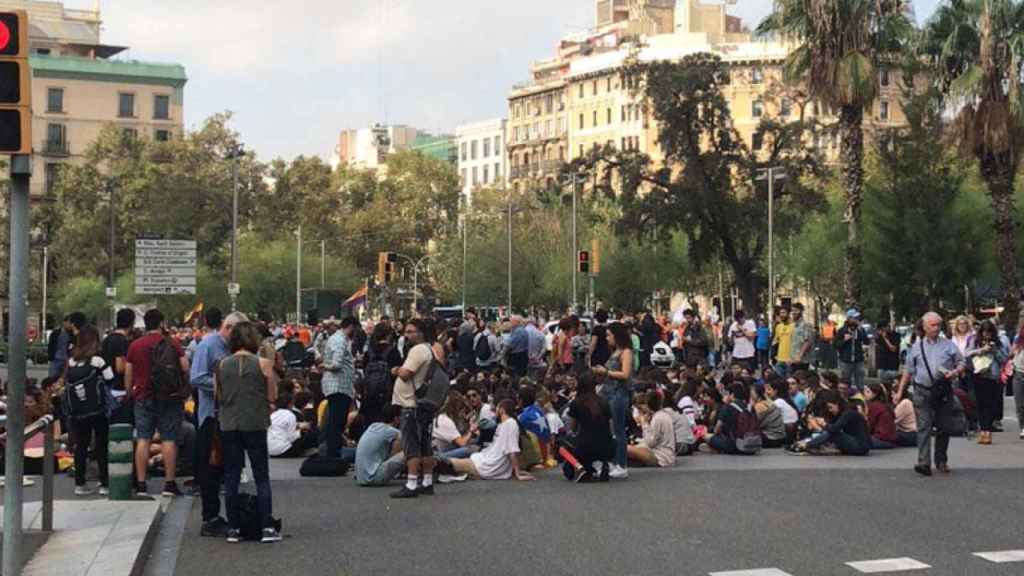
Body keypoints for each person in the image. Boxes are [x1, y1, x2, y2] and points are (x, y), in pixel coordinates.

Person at [215, 321, 280, 543]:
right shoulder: (263, 363)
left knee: (232, 475)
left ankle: (233, 528)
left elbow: (218, 395)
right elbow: (272, 395)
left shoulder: (222, 365)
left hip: (229, 424)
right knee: (261, 475)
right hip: (254, 422)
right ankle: (267, 527)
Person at [191, 308, 246, 537]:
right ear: (229, 328)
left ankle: (225, 516)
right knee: (211, 469)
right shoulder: (208, 345)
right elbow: (196, 377)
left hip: (228, 416)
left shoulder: (230, 347)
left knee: (226, 467)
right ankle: (210, 517)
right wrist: (223, 386)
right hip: (210, 417)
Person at [125, 309, 189, 497]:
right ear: (161, 323)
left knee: (143, 439)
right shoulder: (173, 344)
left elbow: (128, 373)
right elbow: (185, 367)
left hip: (143, 397)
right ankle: (169, 484)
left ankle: (142, 485)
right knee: (169, 439)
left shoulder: (135, 346)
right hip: (169, 397)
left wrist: (130, 392)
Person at [895, 311, 966, 476]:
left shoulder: (948, 345)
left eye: (938, 325)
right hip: (922, 390)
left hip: (943, 390)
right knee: (923, 427)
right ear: (925, 327)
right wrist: (900, 391)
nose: (936, 328)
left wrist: (955, 372)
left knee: (943, 426)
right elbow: (908, 371)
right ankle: (924, 462)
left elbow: (962, 362)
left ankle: (941, 460)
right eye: (933, 325)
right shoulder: (916, 347)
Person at [390, 319, 439, 499]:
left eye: (411, 331)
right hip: (423, 404)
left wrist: (395, 370)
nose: (407, 335)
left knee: (411, 444)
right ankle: (426, 482)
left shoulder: (417, 350)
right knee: (425, 445)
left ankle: (411, 484)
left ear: (420, 332)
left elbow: (405, 373)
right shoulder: (430, 349)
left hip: (411, 404)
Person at [65, 325, 114, 496]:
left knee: (81, 445)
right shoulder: (98, 360)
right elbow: (110, 378)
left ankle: (80, 484)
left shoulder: (71, 361)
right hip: (97, 409)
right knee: (101, 445)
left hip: (78, 410)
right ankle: (104, 483)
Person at [448, 399, 533, 481]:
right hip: (484, 460)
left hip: (487, 465)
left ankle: (436, 461)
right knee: (453, 463)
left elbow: (512, 450)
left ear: (502, 410)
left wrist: (517, 473)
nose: (494, 411)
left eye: (497, 408)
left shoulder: (510, 424)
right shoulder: (503, 424)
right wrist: (515, 471)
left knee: (452, 463)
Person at [593, 322, 633, 479]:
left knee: (619, 430)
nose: (607, 338)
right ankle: (613, 461)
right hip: (608, 393)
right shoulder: (615, 352)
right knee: (610, 430)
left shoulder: (626, 352)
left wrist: (606, 372)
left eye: (609, 335)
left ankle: (622, 464)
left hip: (618, 394)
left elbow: (625, 374)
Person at [563, 370, 614, 482]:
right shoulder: (603, 402)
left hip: (585, 447)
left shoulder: (576, 403)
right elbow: (611, 425)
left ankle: (579, 467)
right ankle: (602, 464)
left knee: (562, 445)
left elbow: (572, 428)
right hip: (606, 447)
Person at [964, 320, 1007, 446]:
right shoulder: (975, 341)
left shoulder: (998, 343)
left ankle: (988, 431)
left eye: (989, 333)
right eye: (984, 333)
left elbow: (1004, 359)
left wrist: (994, 351)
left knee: (990, 404)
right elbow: (966, 353)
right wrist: (980, 350)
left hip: (992, 376)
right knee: (980, 404)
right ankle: (982, 430)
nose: (986, 335)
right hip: (978, 375)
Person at [788, 391, 871, 456]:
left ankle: (805, 445)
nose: (830, 410)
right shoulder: (841, 413)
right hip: (855, 442)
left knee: (833, 433)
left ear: (837, 404)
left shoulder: (848, 413)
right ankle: (805, 443)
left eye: (831, 407)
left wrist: (824, 423)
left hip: (861, 446)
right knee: (829, 433)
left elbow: (834, 428)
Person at [321, 317, 357, 458]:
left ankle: (331, 452)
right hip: (338, 385)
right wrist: (326, 366)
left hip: (337, 385)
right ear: (350, 326)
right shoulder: (340, 340)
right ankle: (333, 454)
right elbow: (337, 363)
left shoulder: (336, 339)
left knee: (334, 421)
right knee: (337, 422)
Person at [355, 406, 405, 486]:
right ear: (396, 419)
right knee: (410, 451)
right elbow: (410, 440)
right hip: (374, 478)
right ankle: (418, 476)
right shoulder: (389, 431)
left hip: (361, 478)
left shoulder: (373, 426)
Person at [102, 308, 135, 424]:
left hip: (107, 386)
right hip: (119, 389)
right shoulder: (121, 341)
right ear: (132, 323)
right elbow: (120, 367)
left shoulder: (107, 339)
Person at [626, 390, 676, 467]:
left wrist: (644, 424)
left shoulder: (657, 418)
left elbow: (650, 443)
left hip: (660, 456)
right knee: (633, 449)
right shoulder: (665, 415)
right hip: (666, 454)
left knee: (626, 448)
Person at [268, 390, 317, 458]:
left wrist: (298, 426)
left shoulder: (273, 414)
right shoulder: (290, 415)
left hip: (271, 451)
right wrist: (300, 431)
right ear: (290, 404)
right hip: (283, 451)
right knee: (307, 433)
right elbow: (291, 437)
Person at [835, 309, 869, 391]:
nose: (857, 319)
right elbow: (835, 345)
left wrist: (861, 330)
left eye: (857, 317)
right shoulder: (842, 330)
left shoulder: (860, 329)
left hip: (858, 360)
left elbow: (866, 342)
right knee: (845, 382)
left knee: (860, 383)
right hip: (846, 361)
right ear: (849, 318)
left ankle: (860, 399)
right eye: (855, 317)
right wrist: (844, 340)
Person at [864, 383, 898, 449]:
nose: (865, 394)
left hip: (882, 439)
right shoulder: (884, 404)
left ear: (875, 394)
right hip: (890, 439)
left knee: (858, 441)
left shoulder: (874, 406)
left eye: (868, 392)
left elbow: (869, 425)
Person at [788, 303, 815, 372]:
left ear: (801, 311)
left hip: (802, 360)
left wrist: (799, 356)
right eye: (792, 311)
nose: (793, 313)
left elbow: (807, 341)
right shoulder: (794, 326)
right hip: (793, 360)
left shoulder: (806, 325)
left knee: (801, 380)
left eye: (796, 310)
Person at [772, 308, 794, 376]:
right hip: (779, 359)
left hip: (790, 360)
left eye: (783, 312)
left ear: (789, 314)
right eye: (780, 313)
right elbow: (775, 341)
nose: (781, 315)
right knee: (780, 382)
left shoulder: (794, 326)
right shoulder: (778, 326)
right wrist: (774, 355)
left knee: (789, 381)